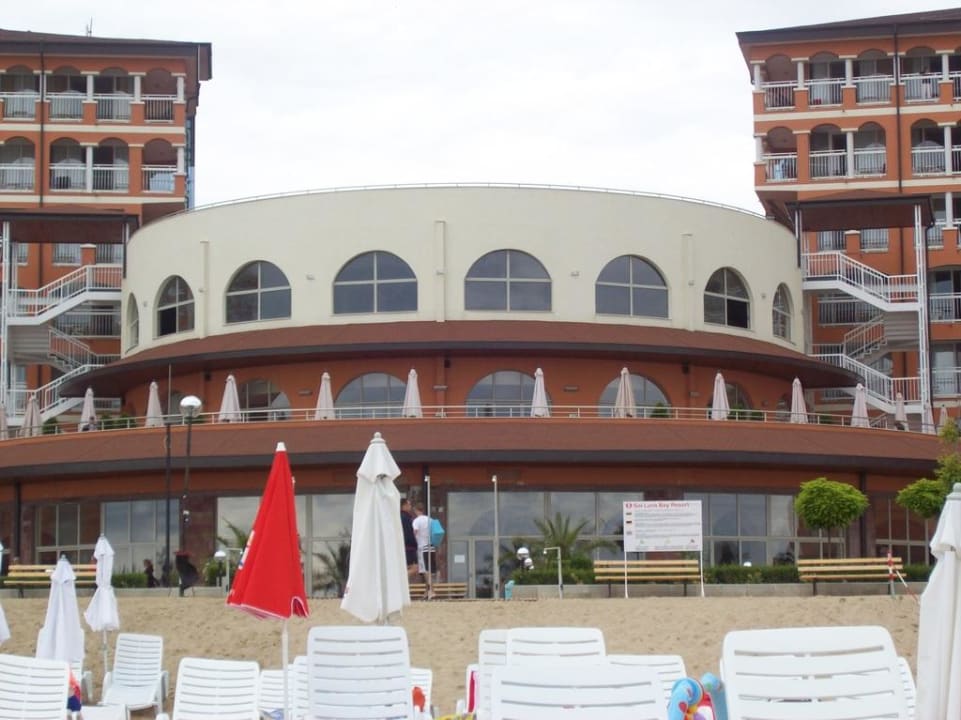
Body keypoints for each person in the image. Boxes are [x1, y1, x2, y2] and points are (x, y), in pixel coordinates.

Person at [411, 502, 434, 599]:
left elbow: (415, 532)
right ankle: (427, 591)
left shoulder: (416, 521)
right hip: (431, 546)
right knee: (428, 569)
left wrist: (415, 539)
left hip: (422, 546)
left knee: (425, 570)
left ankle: (431, 590)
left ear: (416, 510)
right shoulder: (430, 520)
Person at [400, 498, 418, 582]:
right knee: (414, 568)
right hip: (408, 547)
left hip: (407, 547)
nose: (410, 506)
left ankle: (402, 581)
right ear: (404, 506)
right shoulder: (405, 518)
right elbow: (407, 533)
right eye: (409, 504)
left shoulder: (403, 517)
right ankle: (400, 579)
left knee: (408, 567)